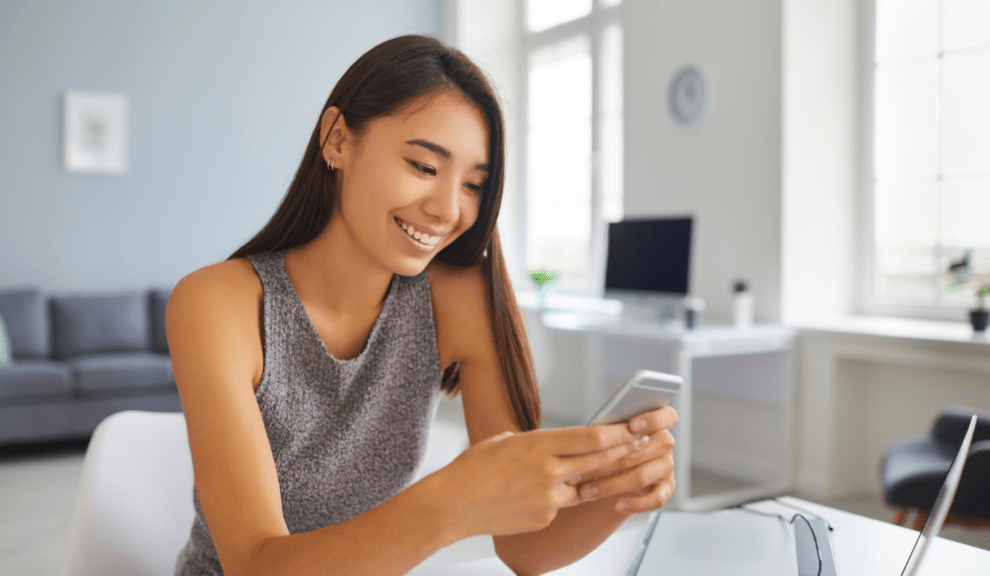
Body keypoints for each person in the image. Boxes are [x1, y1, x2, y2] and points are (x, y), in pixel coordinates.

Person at [168, 34, 678, 576]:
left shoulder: (459, 294)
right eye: (424, 166)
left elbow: (525, 547)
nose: (447, 209)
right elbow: (254, 565)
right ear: (337, 140)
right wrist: (452, 501)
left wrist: (615, 490)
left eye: (474, 184)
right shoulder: (217, 304)